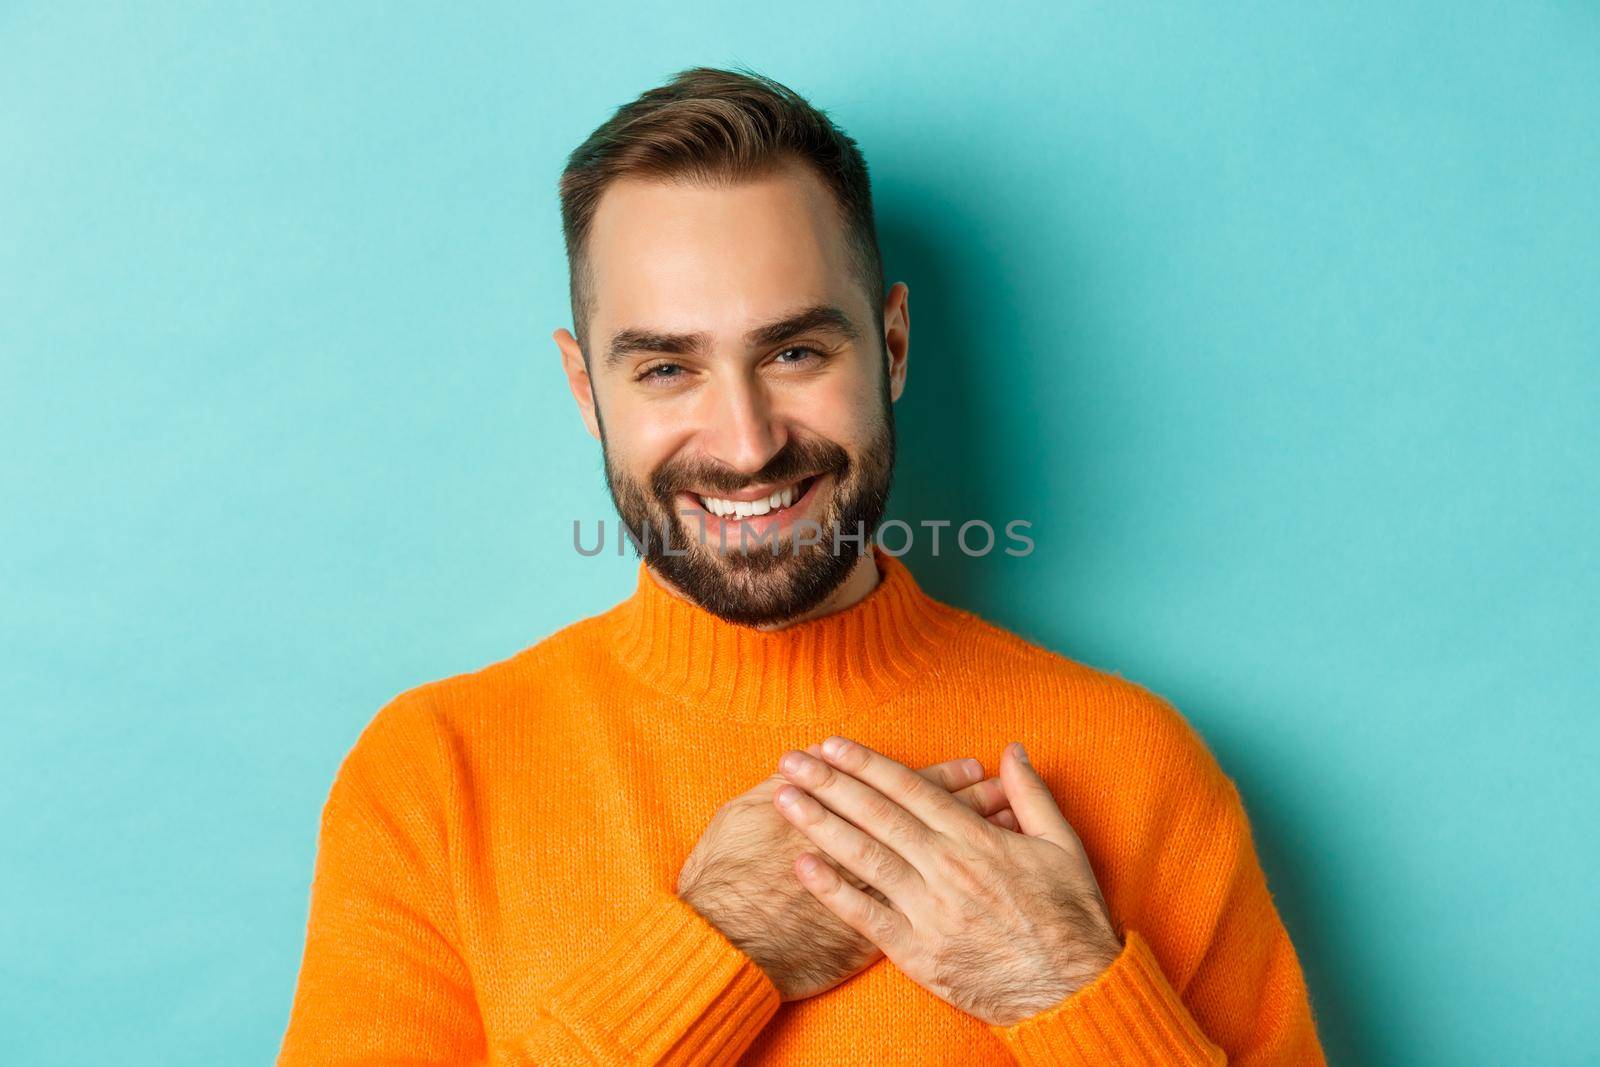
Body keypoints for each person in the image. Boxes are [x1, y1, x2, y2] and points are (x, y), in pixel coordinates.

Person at [278, 65, 1325, 1065]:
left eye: (793, 353)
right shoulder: (431, 777)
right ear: (585, 390)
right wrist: (709, 956)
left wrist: (1062, 989)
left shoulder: (1134, 764)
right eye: (664, 367)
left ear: (893, 344)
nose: (743, 442)